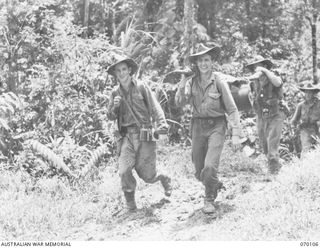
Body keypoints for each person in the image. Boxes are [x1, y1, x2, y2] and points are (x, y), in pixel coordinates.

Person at [175, 44, 241, 214]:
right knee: (199, 172)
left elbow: (232, 110)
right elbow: (180, 103)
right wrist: (182, 83)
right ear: (196, 63)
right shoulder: (191, 82)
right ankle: (215, 184)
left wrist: (236, 134)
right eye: (200, 61)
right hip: (198, 127)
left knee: (210, 166)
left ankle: (209, 198)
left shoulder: (219, 82)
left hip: (217, 126)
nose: (203, 64)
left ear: (212, 62)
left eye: (206, 60)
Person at [106, 55, 172, 212]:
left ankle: (163, 177)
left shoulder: (142, 87)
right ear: (115, 74)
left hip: (144, 135)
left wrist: (162, 124)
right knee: (124, 170)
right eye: (118, 70)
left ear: (129, 70)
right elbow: (109, 116)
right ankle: (131, 205)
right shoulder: (115, 93)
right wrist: (114, 107)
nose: (121, 73)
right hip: (126, 137)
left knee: (147, 176)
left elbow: (155, 107)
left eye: (124, 69)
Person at [245, 55, 285, 174]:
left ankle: (273, 169)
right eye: (255, 67)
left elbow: (278, 84)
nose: (257, 69)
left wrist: (265, 71)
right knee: (264, 142)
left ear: (265, 66)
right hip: (261, 115)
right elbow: (251, 96)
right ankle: (275, 163)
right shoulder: (254, 82)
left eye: (260, 66)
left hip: (276, 113)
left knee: (272, 140)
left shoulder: (273, 77)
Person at [290, 81, 320, 156]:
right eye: (306, 92)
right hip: (305, 129)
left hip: (317, 128)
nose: (308, 95)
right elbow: (294, 120)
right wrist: (293, 129)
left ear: (314, 93)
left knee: (317, 149)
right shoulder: (301, 105)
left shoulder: (319, 104)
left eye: (310, 92)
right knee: (306, 149)